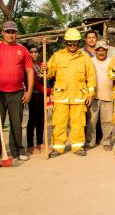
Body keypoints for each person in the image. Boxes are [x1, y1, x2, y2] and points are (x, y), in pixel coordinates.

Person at [41, 28, 96, 157]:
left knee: (78, 123)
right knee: (59, 123)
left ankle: (77, 146)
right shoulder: (57, 55)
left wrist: (90, 94)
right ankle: (58, 147)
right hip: (61, 96)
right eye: (69, 43)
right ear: (65, 42)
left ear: (79, 43)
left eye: (75, 43)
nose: (72, 46)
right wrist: (45, 69)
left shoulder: (85, 58)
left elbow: (91, 77)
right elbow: (49, 74)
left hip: (78, 96)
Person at [0, 21, 34, 162]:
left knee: (16, 123)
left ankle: (17, 150)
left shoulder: (22, 50)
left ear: (16, 33)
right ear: (3, 32)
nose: (11, 35)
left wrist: (29, 91)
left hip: (17, 92)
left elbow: (29, 71)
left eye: (13, 32)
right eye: (8, 32)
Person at [88, 41, 114, 151]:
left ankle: (106, 141)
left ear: (107, 51)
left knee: (107, 121)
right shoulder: (90, 61)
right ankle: (90, 142)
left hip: (108, 96)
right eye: (99, 50)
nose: (101, 52)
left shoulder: (112, 61)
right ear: (95, 51)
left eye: (103, 50)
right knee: (91, 121)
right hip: (93, 96)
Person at [26, 44, 51, 154]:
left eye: (35, 52)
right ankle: (30, 144)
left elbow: (48, 77)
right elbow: (34, 83)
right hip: (34, 95)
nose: (34, 54)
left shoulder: (40, 64)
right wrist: (47, 90)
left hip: (42, 95)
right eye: (31, 52)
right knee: (33, 120)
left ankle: (40, 142)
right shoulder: (27, 66)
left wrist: (48, 89)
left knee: (41, 119)